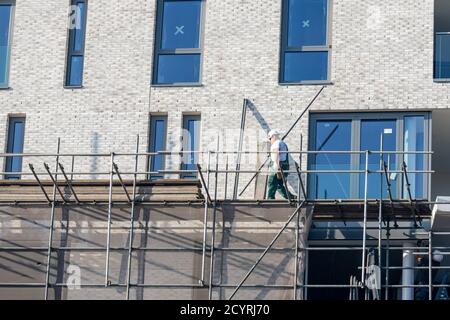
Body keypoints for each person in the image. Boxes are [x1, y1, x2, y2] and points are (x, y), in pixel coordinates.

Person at [267, 129, 295, 200]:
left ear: (273, 136)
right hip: (284, 166)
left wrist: (277, 168)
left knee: (271, 182)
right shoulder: (283, 143)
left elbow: (276, 154)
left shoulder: (276, 143)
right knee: (279, 185)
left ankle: (270, 199)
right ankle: (290, 197)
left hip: (277, 166)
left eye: (270, 138)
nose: (270, 141)